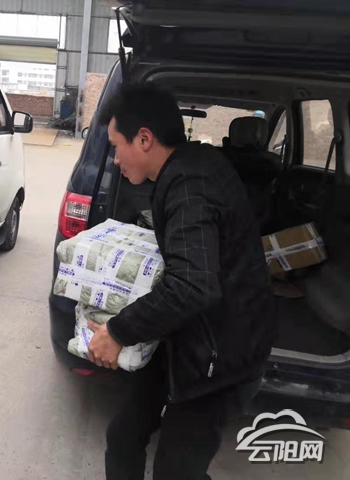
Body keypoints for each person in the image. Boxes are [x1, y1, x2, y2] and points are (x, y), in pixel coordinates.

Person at [87, 83, 276, 480]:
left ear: (144, 139)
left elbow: (192, 285)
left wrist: (118, 331)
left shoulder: (189, 187)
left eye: (117, 146)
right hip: (188, 334)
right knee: (124, 436)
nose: (115, 159)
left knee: (176, 470)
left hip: (222, 356)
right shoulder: (190, 164)